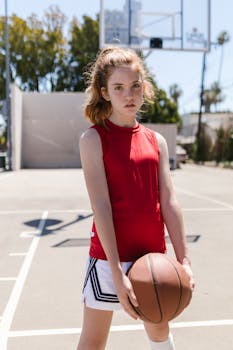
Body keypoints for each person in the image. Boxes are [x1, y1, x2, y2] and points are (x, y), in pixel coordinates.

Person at [77, 46, 195, 350]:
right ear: (104, 92)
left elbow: (169, 202)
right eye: (118, 87)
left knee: (160, 337)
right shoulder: (93, 139)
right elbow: (100, 206)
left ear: (144, 87)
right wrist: (116, 273)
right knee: (92, 343)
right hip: (108, 259)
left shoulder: (156, 141)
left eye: (135, 86)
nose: (128, 94)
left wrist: (184, 260)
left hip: (152, 259)